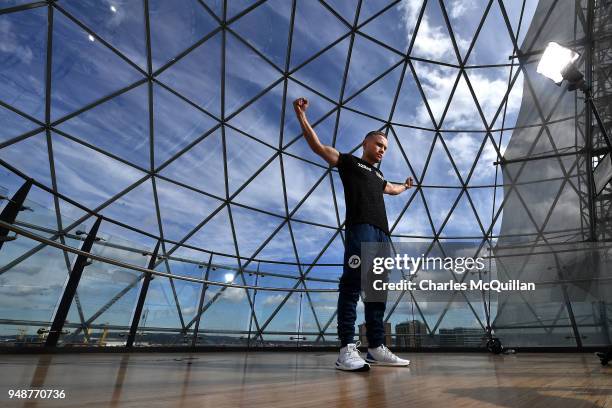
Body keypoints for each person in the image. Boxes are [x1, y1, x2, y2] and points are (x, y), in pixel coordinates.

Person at [293, 97, 414, 372]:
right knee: (352, 284)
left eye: (385, 147)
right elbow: (318, 147)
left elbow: (391, 190)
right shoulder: (348, 162)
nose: (382, 150)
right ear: (365, 143)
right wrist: (301, 116)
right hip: (360, 228)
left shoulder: (379, 175)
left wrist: (405, 187)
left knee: (377, 291)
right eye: (378, 144)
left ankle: (375, 347)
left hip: (383, 234)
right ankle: (347, 347)